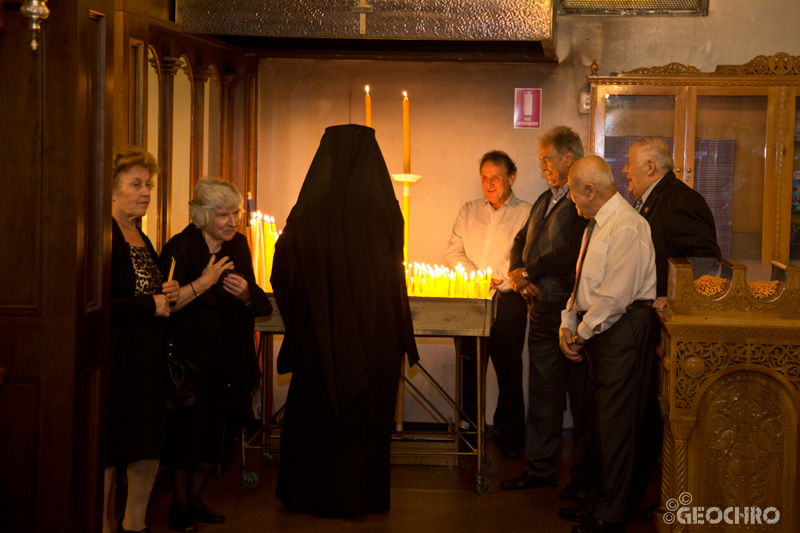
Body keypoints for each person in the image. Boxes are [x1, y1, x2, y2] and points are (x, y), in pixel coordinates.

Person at [272, 124, 420, 516]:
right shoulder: (384, 206)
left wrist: (306, 317)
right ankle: (363, 494)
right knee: (366, 415)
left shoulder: (308, 206)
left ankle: (308, 493)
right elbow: (393, 270)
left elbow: (282, 269)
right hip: (374, 334)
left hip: (318, 335)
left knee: (314, 410)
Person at [158, 178, 272, 532]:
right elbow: (167, 307)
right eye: (222, 214)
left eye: (235, 213)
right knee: (186, 436)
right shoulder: (180, 247)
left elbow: (258, 300)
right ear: (202, 215)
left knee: (218, 434)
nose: (232, 221)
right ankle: (178, 504)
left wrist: (244, 294)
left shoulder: (238, 245)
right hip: (189, 358)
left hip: (228, 355)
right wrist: (205, 283)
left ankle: (195, 498)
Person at [557, 156, 659, 533]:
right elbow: (583, 284)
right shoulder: (594, 226)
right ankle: (596, 503)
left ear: (590, 190)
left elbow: (615, 297)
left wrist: (581, 332)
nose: (571, 200)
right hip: (598, 332)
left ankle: (609, 517)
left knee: (616, 430)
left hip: (622, 331)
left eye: (572, 191)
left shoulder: (629, 226)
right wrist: (569, 323)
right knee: (597, 427)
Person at [622, 137, 721, 515]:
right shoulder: (653, 198)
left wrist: (674, 298)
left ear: (650, 166)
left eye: (630, 164)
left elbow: (706, 262)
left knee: (651, 417)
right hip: (650, 324)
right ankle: (631, 497)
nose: (625, 172)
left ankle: (640, 501)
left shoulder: (680, 200)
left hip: (670, 329)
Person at [502, 127, 590, 493]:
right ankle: (540, 468)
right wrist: (517, 274)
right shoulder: (545, 198)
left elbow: (571, 253)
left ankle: (585, 477)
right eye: (541, 161)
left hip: (568, 310)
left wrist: (531, 271)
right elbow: (521, 241)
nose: (543, 166)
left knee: (580, 397)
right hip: (538, 307)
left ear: (569, 158)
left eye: (547, 159)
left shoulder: (582, 200)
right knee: (541, 392)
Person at [106, 147, 179, 533]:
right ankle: (103, 524)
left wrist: (166, 292)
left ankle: (134, 524)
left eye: (148, 184)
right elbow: (97, 305)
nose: (146, 192)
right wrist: (148, 305)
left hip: (147, 359)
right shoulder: (104, 233)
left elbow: (147, 294)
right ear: (112, 190)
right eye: (136, 184)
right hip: (117, 359)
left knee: (148, 447)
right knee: (111, 448)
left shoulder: (141, 235)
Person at [444, 150, 532, 459]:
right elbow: (453, 252)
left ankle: (509, 437)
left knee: (508, 370)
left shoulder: (526, 213)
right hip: (471, 301)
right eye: (484, 177)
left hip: (508, 301)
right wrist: (476, 278)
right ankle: (469, 433)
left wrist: (497, 279)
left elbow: (524, 257)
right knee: (469, 369)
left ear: (511, 178)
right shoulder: (468, 211)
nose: (489, 183)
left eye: (496, 177)